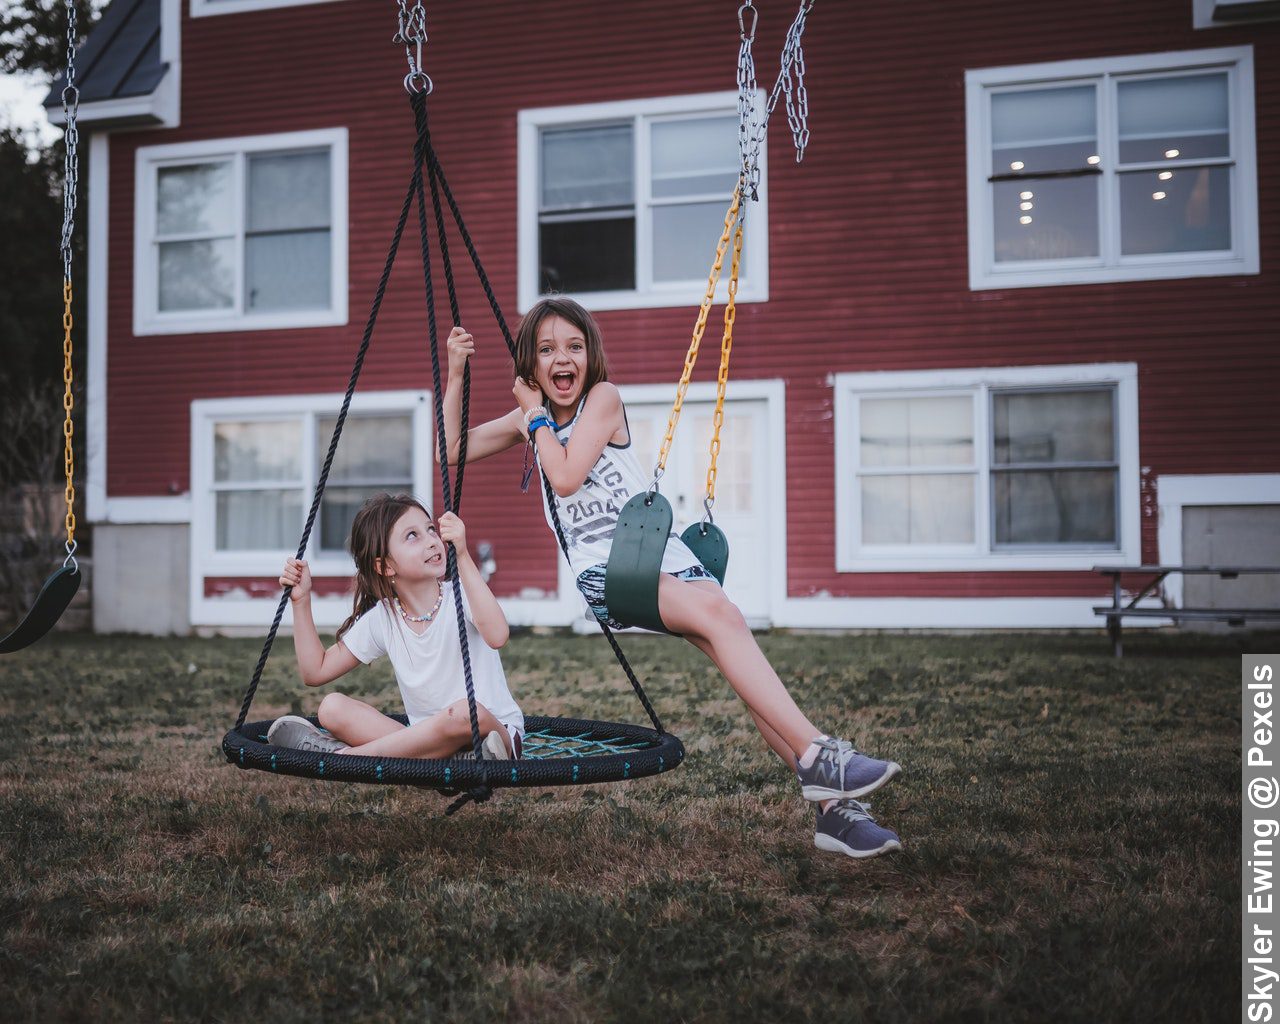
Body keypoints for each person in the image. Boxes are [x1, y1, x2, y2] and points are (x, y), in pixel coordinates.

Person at [439, 297, 902, 859]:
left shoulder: (602, 400)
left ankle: (834, 810)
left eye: (574, 347)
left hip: (662, 549)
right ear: (529, 367)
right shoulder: (530, 421)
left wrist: (534, 418)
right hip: (610, 572)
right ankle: (820, 755)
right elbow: (461, 452)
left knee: (731, 639)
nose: (562, 359)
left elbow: (562, 467)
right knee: (721, 621)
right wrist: (459, 373)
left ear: (591, 355)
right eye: (546, 349)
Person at [267, 492, 523, 763]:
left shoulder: (462, 595)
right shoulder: (385, 617)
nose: (432, 541)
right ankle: (444, 762)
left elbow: (497, 636)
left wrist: (462, 553)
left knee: (465, 712)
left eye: (431, 530)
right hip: (431, 742)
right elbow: (315, 671)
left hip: (494, 735)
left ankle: (344, 758)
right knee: (332, 708)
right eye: (412, 536)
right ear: (385, 565)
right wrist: (301, 601)